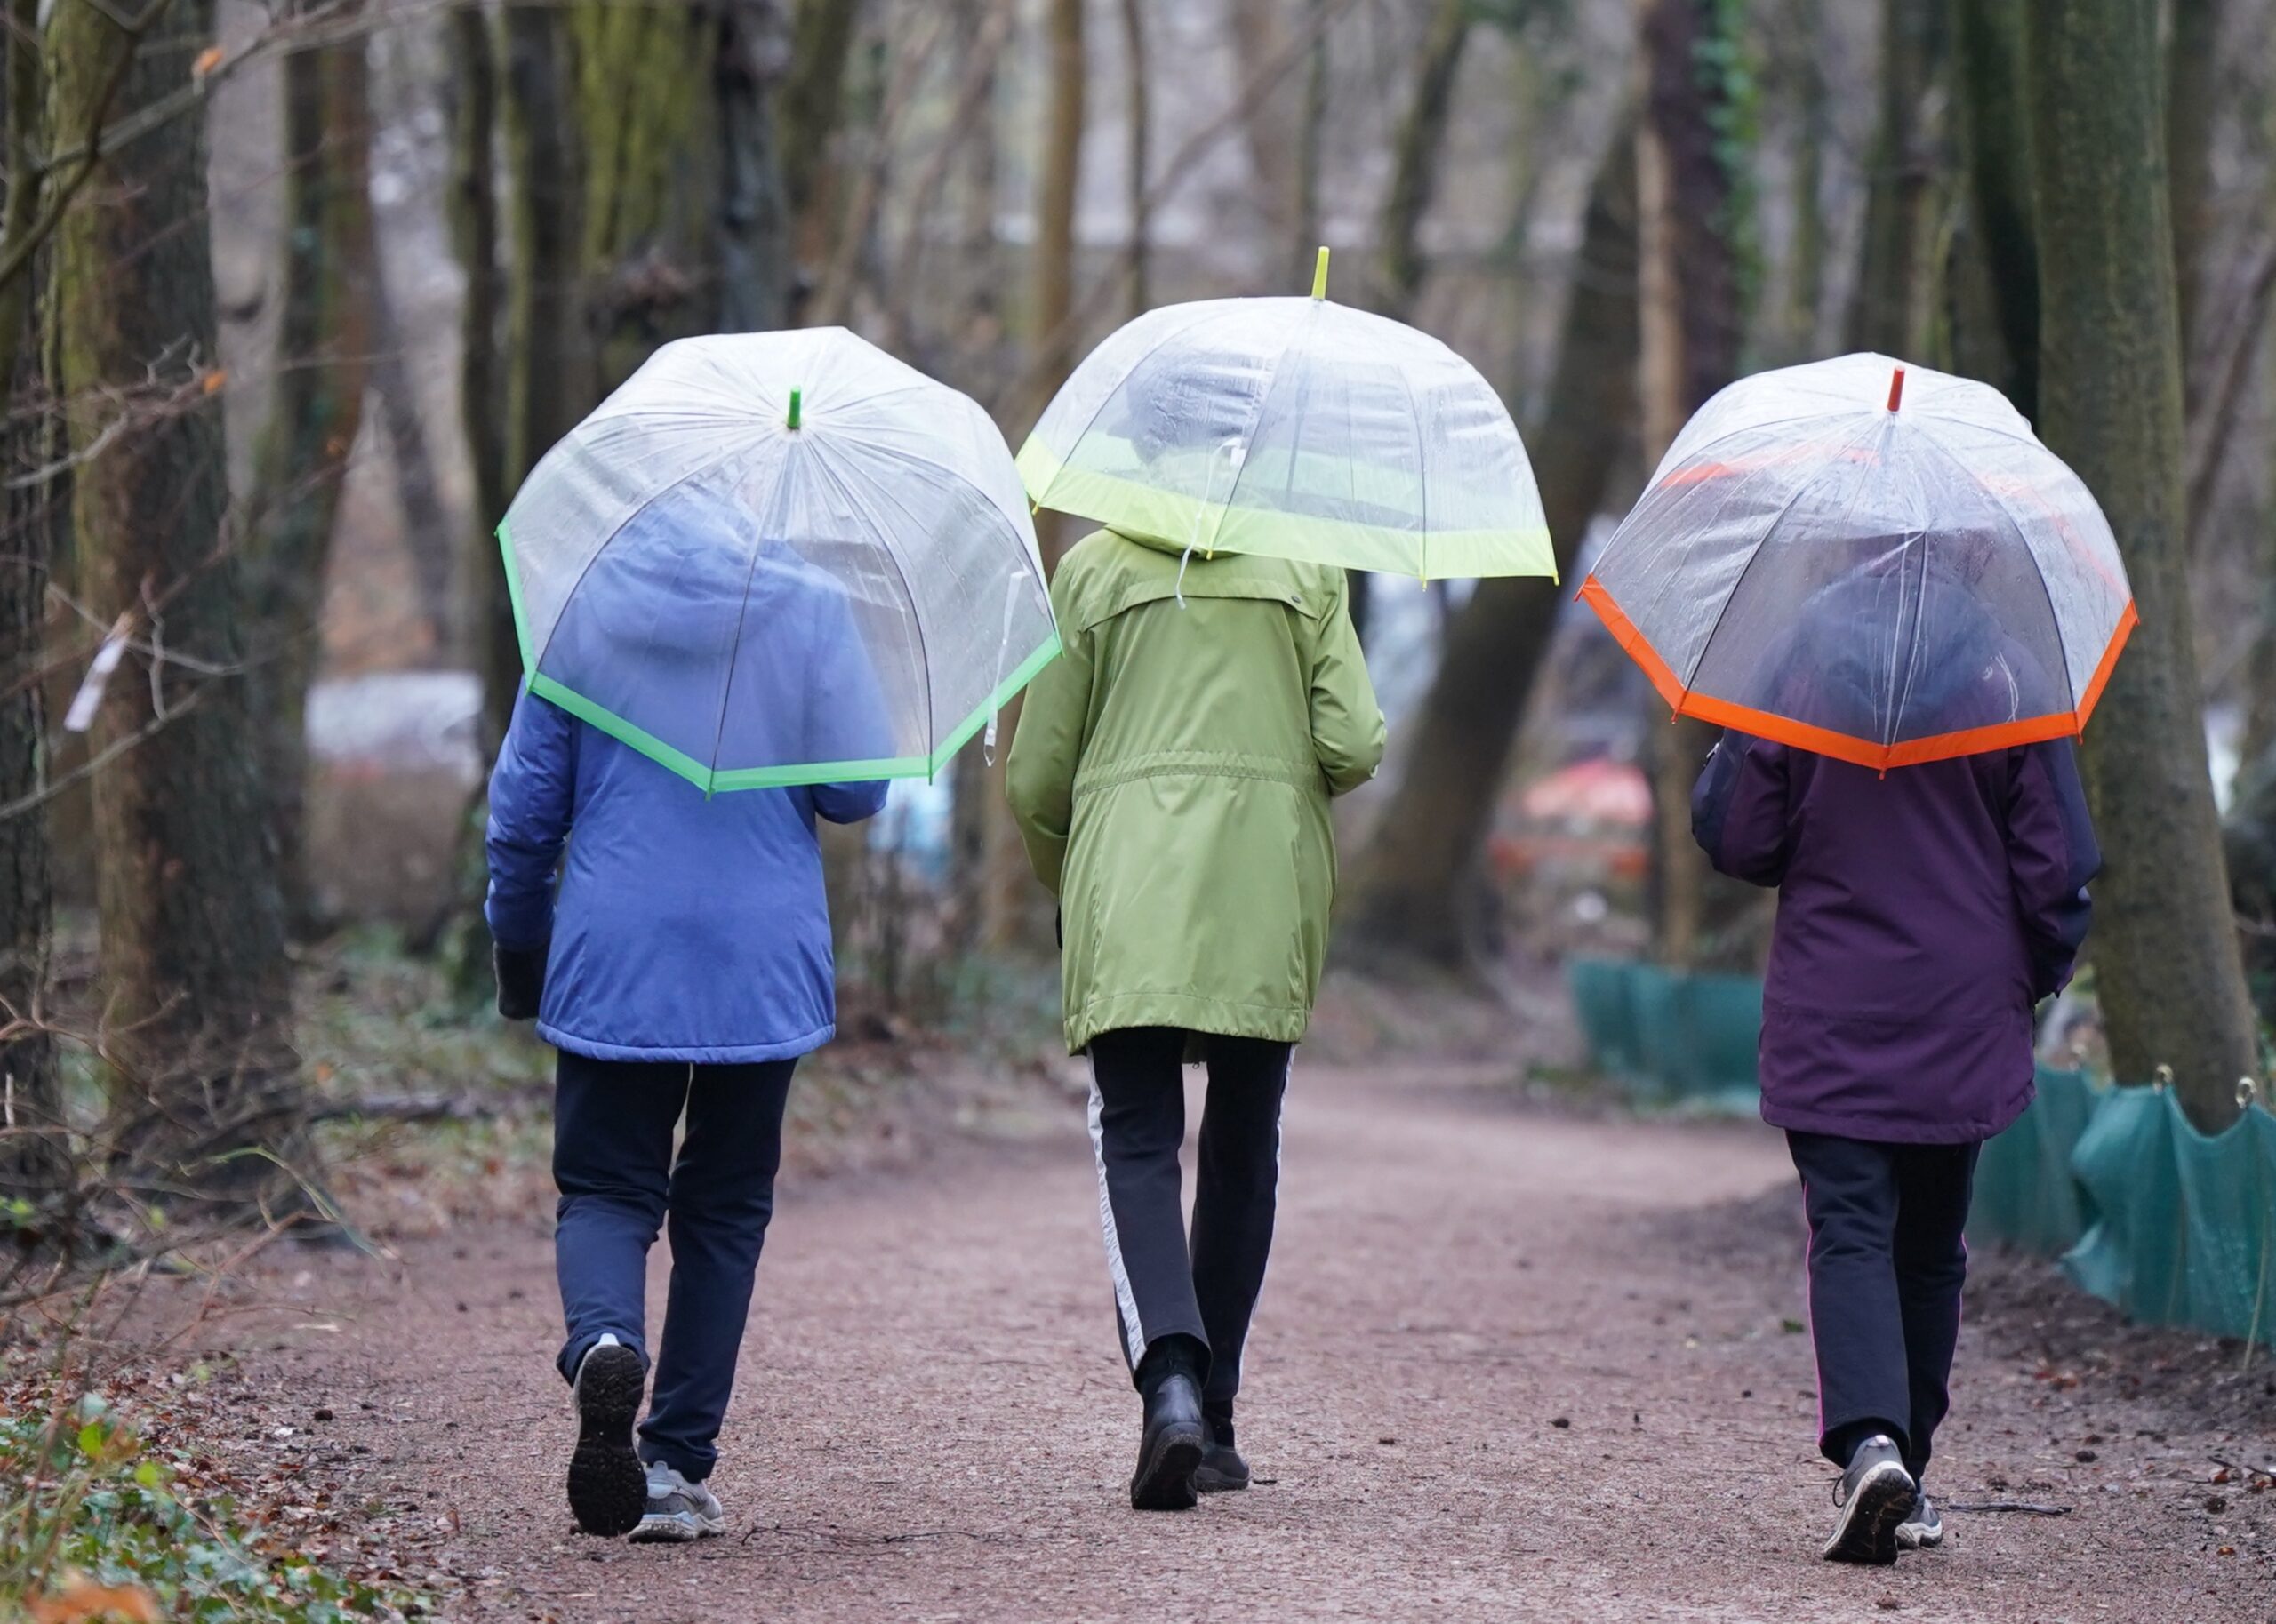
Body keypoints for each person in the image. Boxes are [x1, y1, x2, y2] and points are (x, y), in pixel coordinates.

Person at [485, 494, 888, 1543]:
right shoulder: (805, 601)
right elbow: (855, 791)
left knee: (606, 1189)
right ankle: (670, 1464)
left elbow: (524, 816)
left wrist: (518, 951)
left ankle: (607, 1344)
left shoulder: (581, 606)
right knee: (723, 1209)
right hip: (760, 957)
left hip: (616, 949)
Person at [1689, 559, 2100, 1565]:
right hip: (1961, 1003)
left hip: (1833, 997)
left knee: (1849, 1232)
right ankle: (1903, 1464)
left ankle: (1873, 1447)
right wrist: (2030, 975)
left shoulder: (1800, 666)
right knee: (1929, 1247)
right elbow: (2056, 864)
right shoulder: (2009, 676)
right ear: (1969, 561)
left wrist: (1742, 740)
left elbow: (1740, 836)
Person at [1006, 513, 1385, 1512]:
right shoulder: (1306, 562)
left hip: (1128, 890)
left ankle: (1167, 1379)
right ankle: (1213, 1418)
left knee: (1135, 1135)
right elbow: (1352, 744)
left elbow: (1038, 774)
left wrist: (1072, 881)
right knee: (1243, 1142)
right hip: (1265, 891)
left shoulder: (1088, 572)